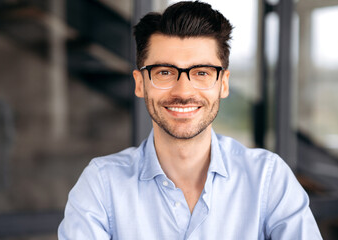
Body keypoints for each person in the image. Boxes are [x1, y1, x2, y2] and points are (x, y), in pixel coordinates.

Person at [58, 1, 322, 239]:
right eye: (164, 72)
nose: (183, 91)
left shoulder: (268, 178)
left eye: (202, 72)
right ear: (140, 84)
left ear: (223, 84)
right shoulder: (101, 185)